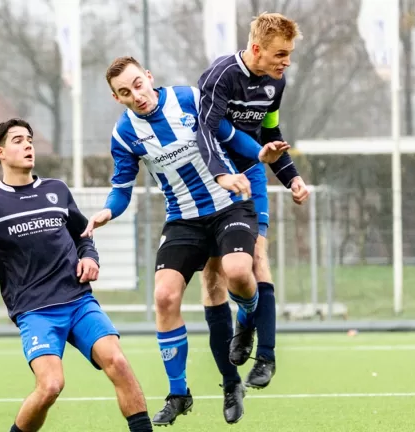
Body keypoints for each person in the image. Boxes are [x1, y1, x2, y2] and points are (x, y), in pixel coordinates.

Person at [82, 56, 287, 426]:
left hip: (229, 205)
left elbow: (226, 133)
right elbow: (121, 188)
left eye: (138, 84)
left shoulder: (190, 99)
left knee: (239, 272)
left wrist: (259, 153)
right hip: (183, 218)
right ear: (117, 98)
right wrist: (107, 212)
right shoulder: (125, 134)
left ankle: (247, 318)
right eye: (125, 93)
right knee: (164, 295)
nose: (136, 95)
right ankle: (180, 393)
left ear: (149, 76)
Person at [0, 118, 154, 432]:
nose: (28, 145)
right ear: (0, 152)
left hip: (78, 301)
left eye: (29, 139)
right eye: (18, 140)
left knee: (118, 363)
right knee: (51, 385)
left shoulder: (56, 190)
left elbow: (84, 237)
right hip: (34, 311)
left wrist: (90, 258)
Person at [196, 12, 310, 390]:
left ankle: (266, 356)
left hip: (253, 175)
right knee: (220, 272)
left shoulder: (277, 83)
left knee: (258, 257)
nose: (286, 61)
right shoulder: (221, 75)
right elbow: (206, 132)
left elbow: (271, 132)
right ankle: (244, 321)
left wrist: (293, 179)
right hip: (213, 176)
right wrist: (222, 175)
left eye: (290, 54)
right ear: (257, 48)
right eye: (281, 53)